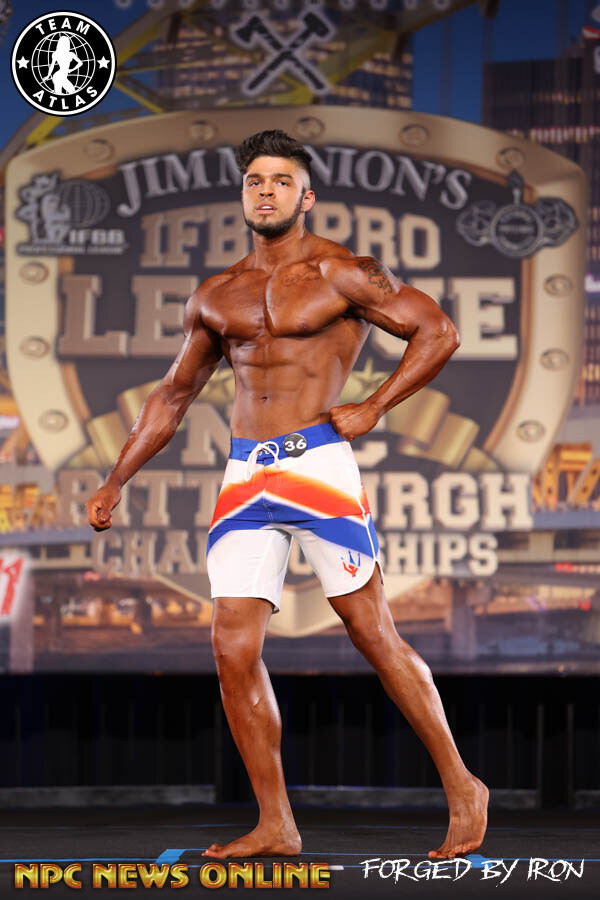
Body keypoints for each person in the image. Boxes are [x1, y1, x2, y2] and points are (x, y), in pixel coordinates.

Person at [86, 129, 488, 861]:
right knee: (231, 649)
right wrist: (117, 477)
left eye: (280, 181)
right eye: (254, 181)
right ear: (243, 195)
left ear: (306, 197)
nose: (265, 191)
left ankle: (463, 785)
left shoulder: (344, 272)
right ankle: (277, 823)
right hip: (246, 476)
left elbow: (438, 332)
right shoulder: (217, 293)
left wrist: (376, 406)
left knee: (372, 632)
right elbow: (174, 394)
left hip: (318, 465)